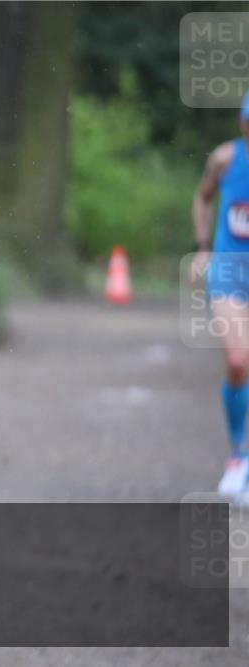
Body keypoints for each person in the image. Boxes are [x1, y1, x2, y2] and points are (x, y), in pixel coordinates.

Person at [191, 92, 249, 500]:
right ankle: (238, 455)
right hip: (229, 272)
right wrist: (202, 249)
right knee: (237, 360)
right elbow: (202, 197)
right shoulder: (225, 159)